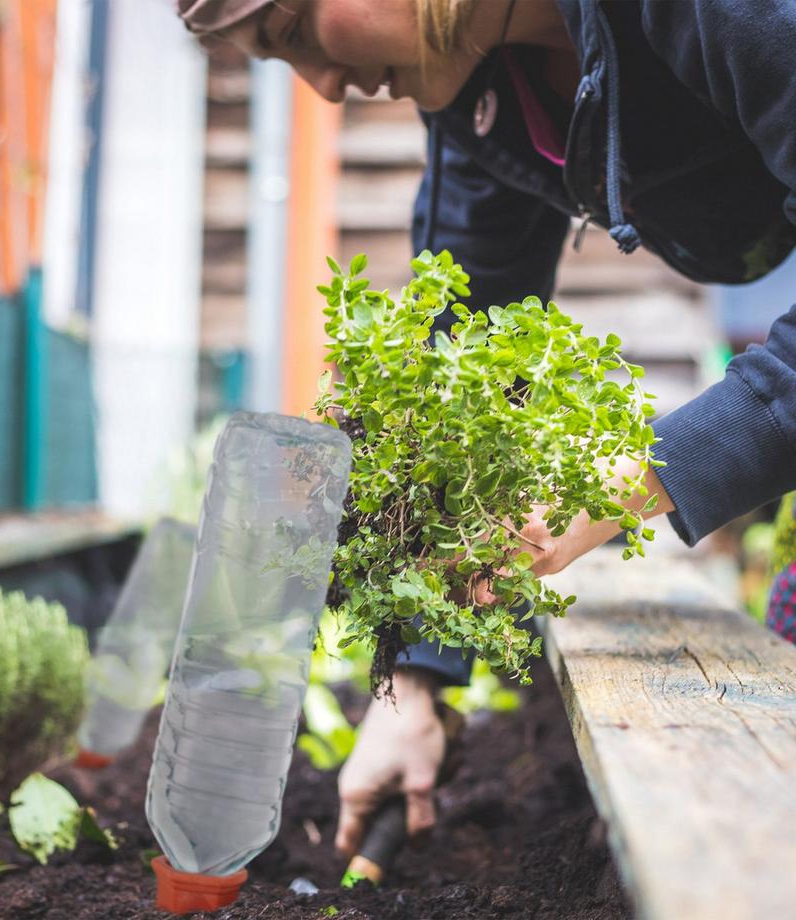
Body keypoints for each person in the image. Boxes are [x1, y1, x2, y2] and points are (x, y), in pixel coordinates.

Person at [179, 0, 796, 859]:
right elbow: (467, 358)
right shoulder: (482, 94)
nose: (321, 86)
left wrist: (616, 485)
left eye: (293, 33)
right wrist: (415, 682)